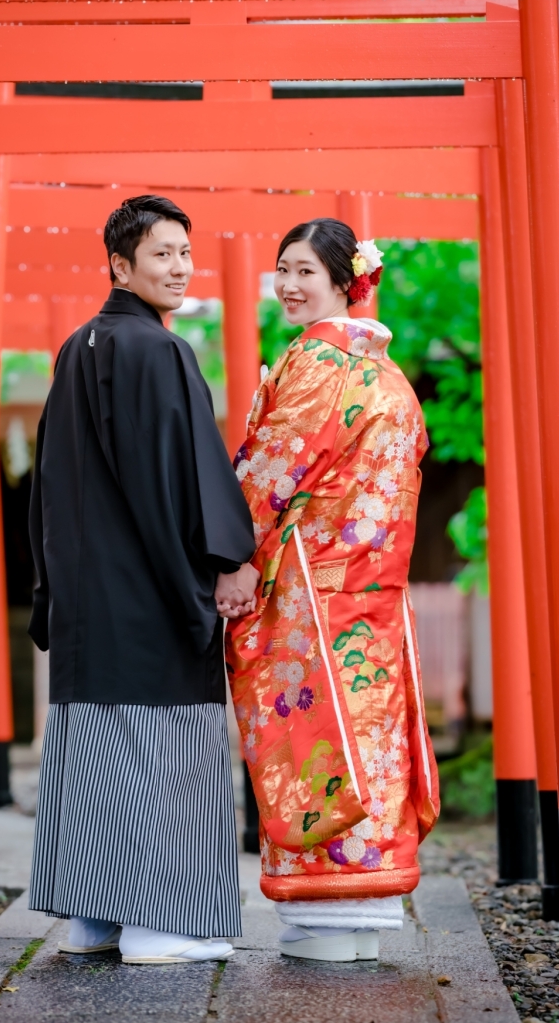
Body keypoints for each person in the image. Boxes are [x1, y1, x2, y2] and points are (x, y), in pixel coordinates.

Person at [27, 195, 258, 965]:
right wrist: (224, 560)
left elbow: (48, 489)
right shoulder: (161, 352)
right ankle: (160, 927)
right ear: (119, 265)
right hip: (150, 595)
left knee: (95, 751)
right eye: (163, 254)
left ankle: (93, 921)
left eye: (185, 253)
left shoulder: (74, 349)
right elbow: (183, 480)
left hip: (88, 603)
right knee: (165, 751)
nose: (181, 266)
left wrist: (49, 591)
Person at [223, 218, 439, 962]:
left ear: (346, 280)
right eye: (281, 268)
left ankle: (322, 909)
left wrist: (235, 558)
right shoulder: (389, 374)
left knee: (310, 737)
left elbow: (268, 474)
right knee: (370, 737)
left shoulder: (318, 360)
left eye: (305, 271)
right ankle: (370, 903)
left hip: (310, 597)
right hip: (372, 597)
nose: (287, 284)